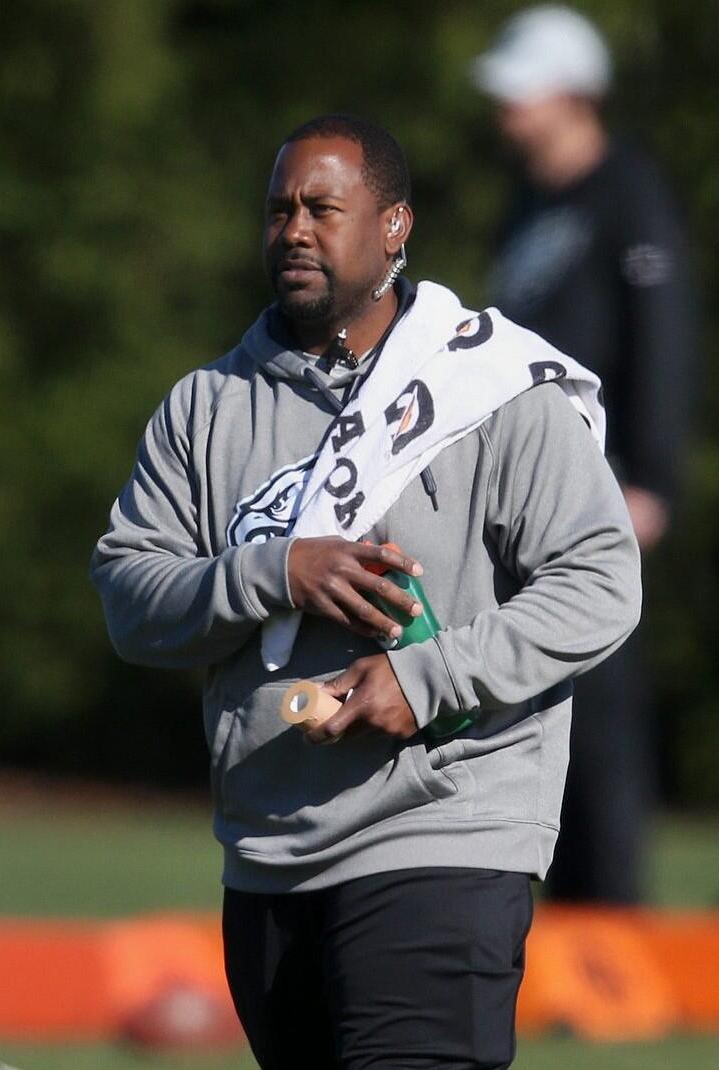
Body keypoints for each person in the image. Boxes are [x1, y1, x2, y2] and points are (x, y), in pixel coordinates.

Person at [91, 114, 641, 1070]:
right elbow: (131, 602)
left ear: (394, 227)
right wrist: (275, 572)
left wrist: (427, 681)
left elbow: (601, 580)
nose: (295, 231)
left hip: (446, 835)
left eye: (323, 208)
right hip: (268, 855)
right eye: (279, 210)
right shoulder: (204, 408)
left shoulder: (491, 388)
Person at [473, 5, 697, 903]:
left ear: (573, 94)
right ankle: (551, 927)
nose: (507, 109)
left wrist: (652, 480)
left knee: (600, 719)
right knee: (530, 712)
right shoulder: (527, 203)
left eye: (523, 92)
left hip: (601, 493)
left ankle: (613, 929)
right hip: (520, 498)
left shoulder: (628, 193)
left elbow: (663, 339)